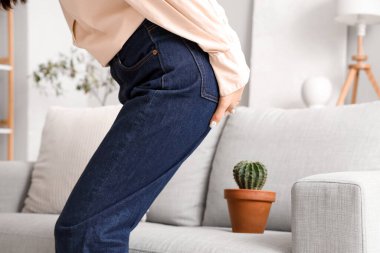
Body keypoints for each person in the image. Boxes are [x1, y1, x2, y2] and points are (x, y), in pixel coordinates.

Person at [1, 0, 251, 252]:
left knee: (88, 231)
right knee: (87, 230)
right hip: (155, 67)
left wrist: (230, 60)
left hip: (173, 74)